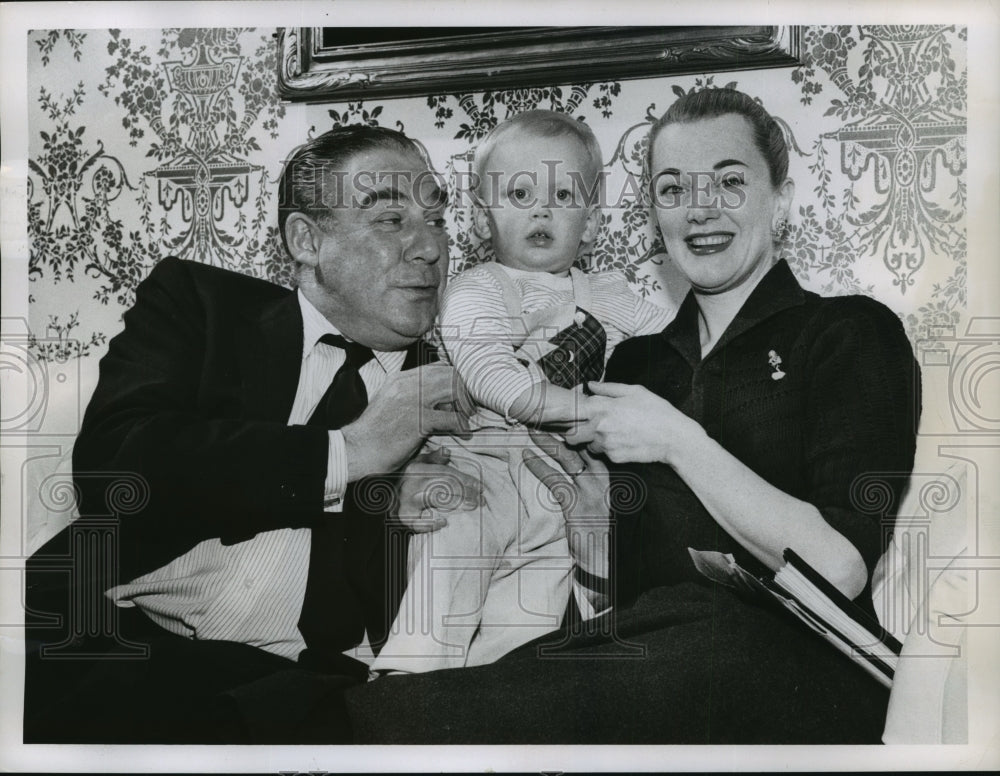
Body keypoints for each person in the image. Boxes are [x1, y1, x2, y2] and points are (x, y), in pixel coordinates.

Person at [344, 88, 920, 744]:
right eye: (673, 189)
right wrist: (590, 538)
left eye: (730, 181)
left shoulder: (846, 330)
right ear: (654, 214)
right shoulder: (636, 363)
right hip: (648, 652)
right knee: (463, 692)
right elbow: (618, 589)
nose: (701, 208)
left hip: (790, 663)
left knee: (419, 718)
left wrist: (678, 440)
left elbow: (842, 567)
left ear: (781, 198)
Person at [23, 124, 478, 744]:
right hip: (100, 630)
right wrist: (350, 453)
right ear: (306, 240)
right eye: (390, 219)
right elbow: (114, 468)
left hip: (285, 692)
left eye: (437, 220)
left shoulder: (464, 388)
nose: (430, 247)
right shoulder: (201, 306)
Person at [372, 110, 674, 673]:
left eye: (564, 194)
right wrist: (581, 409)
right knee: (453, 550)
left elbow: (679, 344)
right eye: (518, 193)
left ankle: (490, 706)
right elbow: (489, 373)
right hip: (484, 465)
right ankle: (406, 678)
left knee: (527, 629)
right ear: (484, 221)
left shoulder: (608, 292)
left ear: (590, 223)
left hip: (558, 484)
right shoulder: (476, 288)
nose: (541, 208)